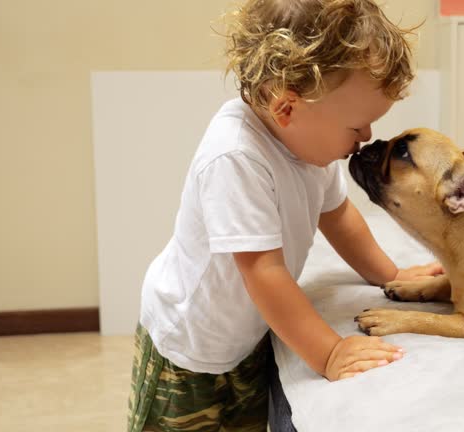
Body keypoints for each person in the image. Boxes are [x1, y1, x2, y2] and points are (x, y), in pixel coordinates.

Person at [126, 0, 442, 430]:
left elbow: (340, 217)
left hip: (246, 336)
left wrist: (391, 276)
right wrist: (330, 353)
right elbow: (263, 272)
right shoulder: (236, 156)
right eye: (356, 127)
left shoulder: (312, 148)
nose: (367, 137)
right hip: (188, 349)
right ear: (287, 108)